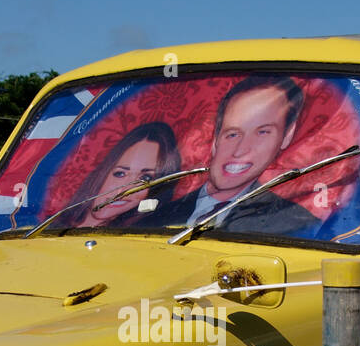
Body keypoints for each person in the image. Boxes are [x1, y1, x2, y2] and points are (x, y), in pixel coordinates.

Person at [135, 75, 319, 235]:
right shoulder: (152, 219)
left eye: (262, 132)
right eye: (232, 134)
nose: (240, 150)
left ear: (286, 136)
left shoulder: (297, 225)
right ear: (215, 139)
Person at [54, 122, 181, 228]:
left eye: (145, 178)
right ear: (103, 172)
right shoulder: (42, 229)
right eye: (120, 173)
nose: (125, 189)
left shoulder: (141, 240)